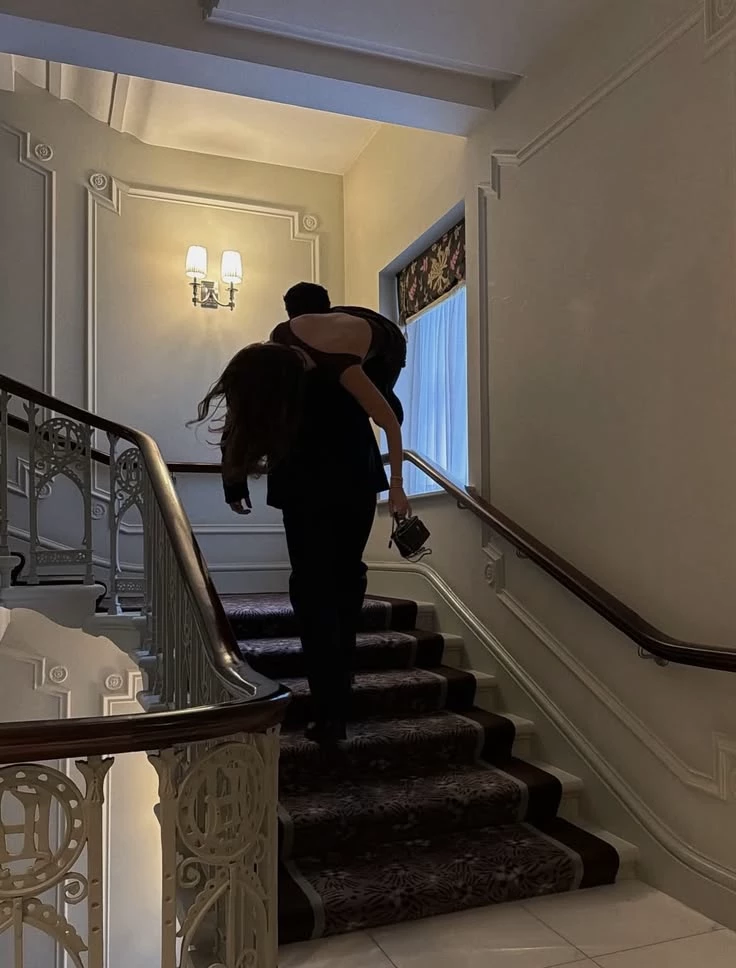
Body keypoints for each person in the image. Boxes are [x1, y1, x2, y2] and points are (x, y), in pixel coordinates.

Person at [193, 312, 410, 746]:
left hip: (308, 491)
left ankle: (330, 705)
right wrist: (396, 484)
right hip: (352, 485)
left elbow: (239, 422)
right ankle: (337, 692)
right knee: (344, 584)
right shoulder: (342, 371)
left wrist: (234, 481)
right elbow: (391, 414)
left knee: (315, 593)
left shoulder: (280, 380)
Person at [280, 282, 406, 424]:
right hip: (389, 341)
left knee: (375, 400)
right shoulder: (329, 325)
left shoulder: (337, 338)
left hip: (388, 351)